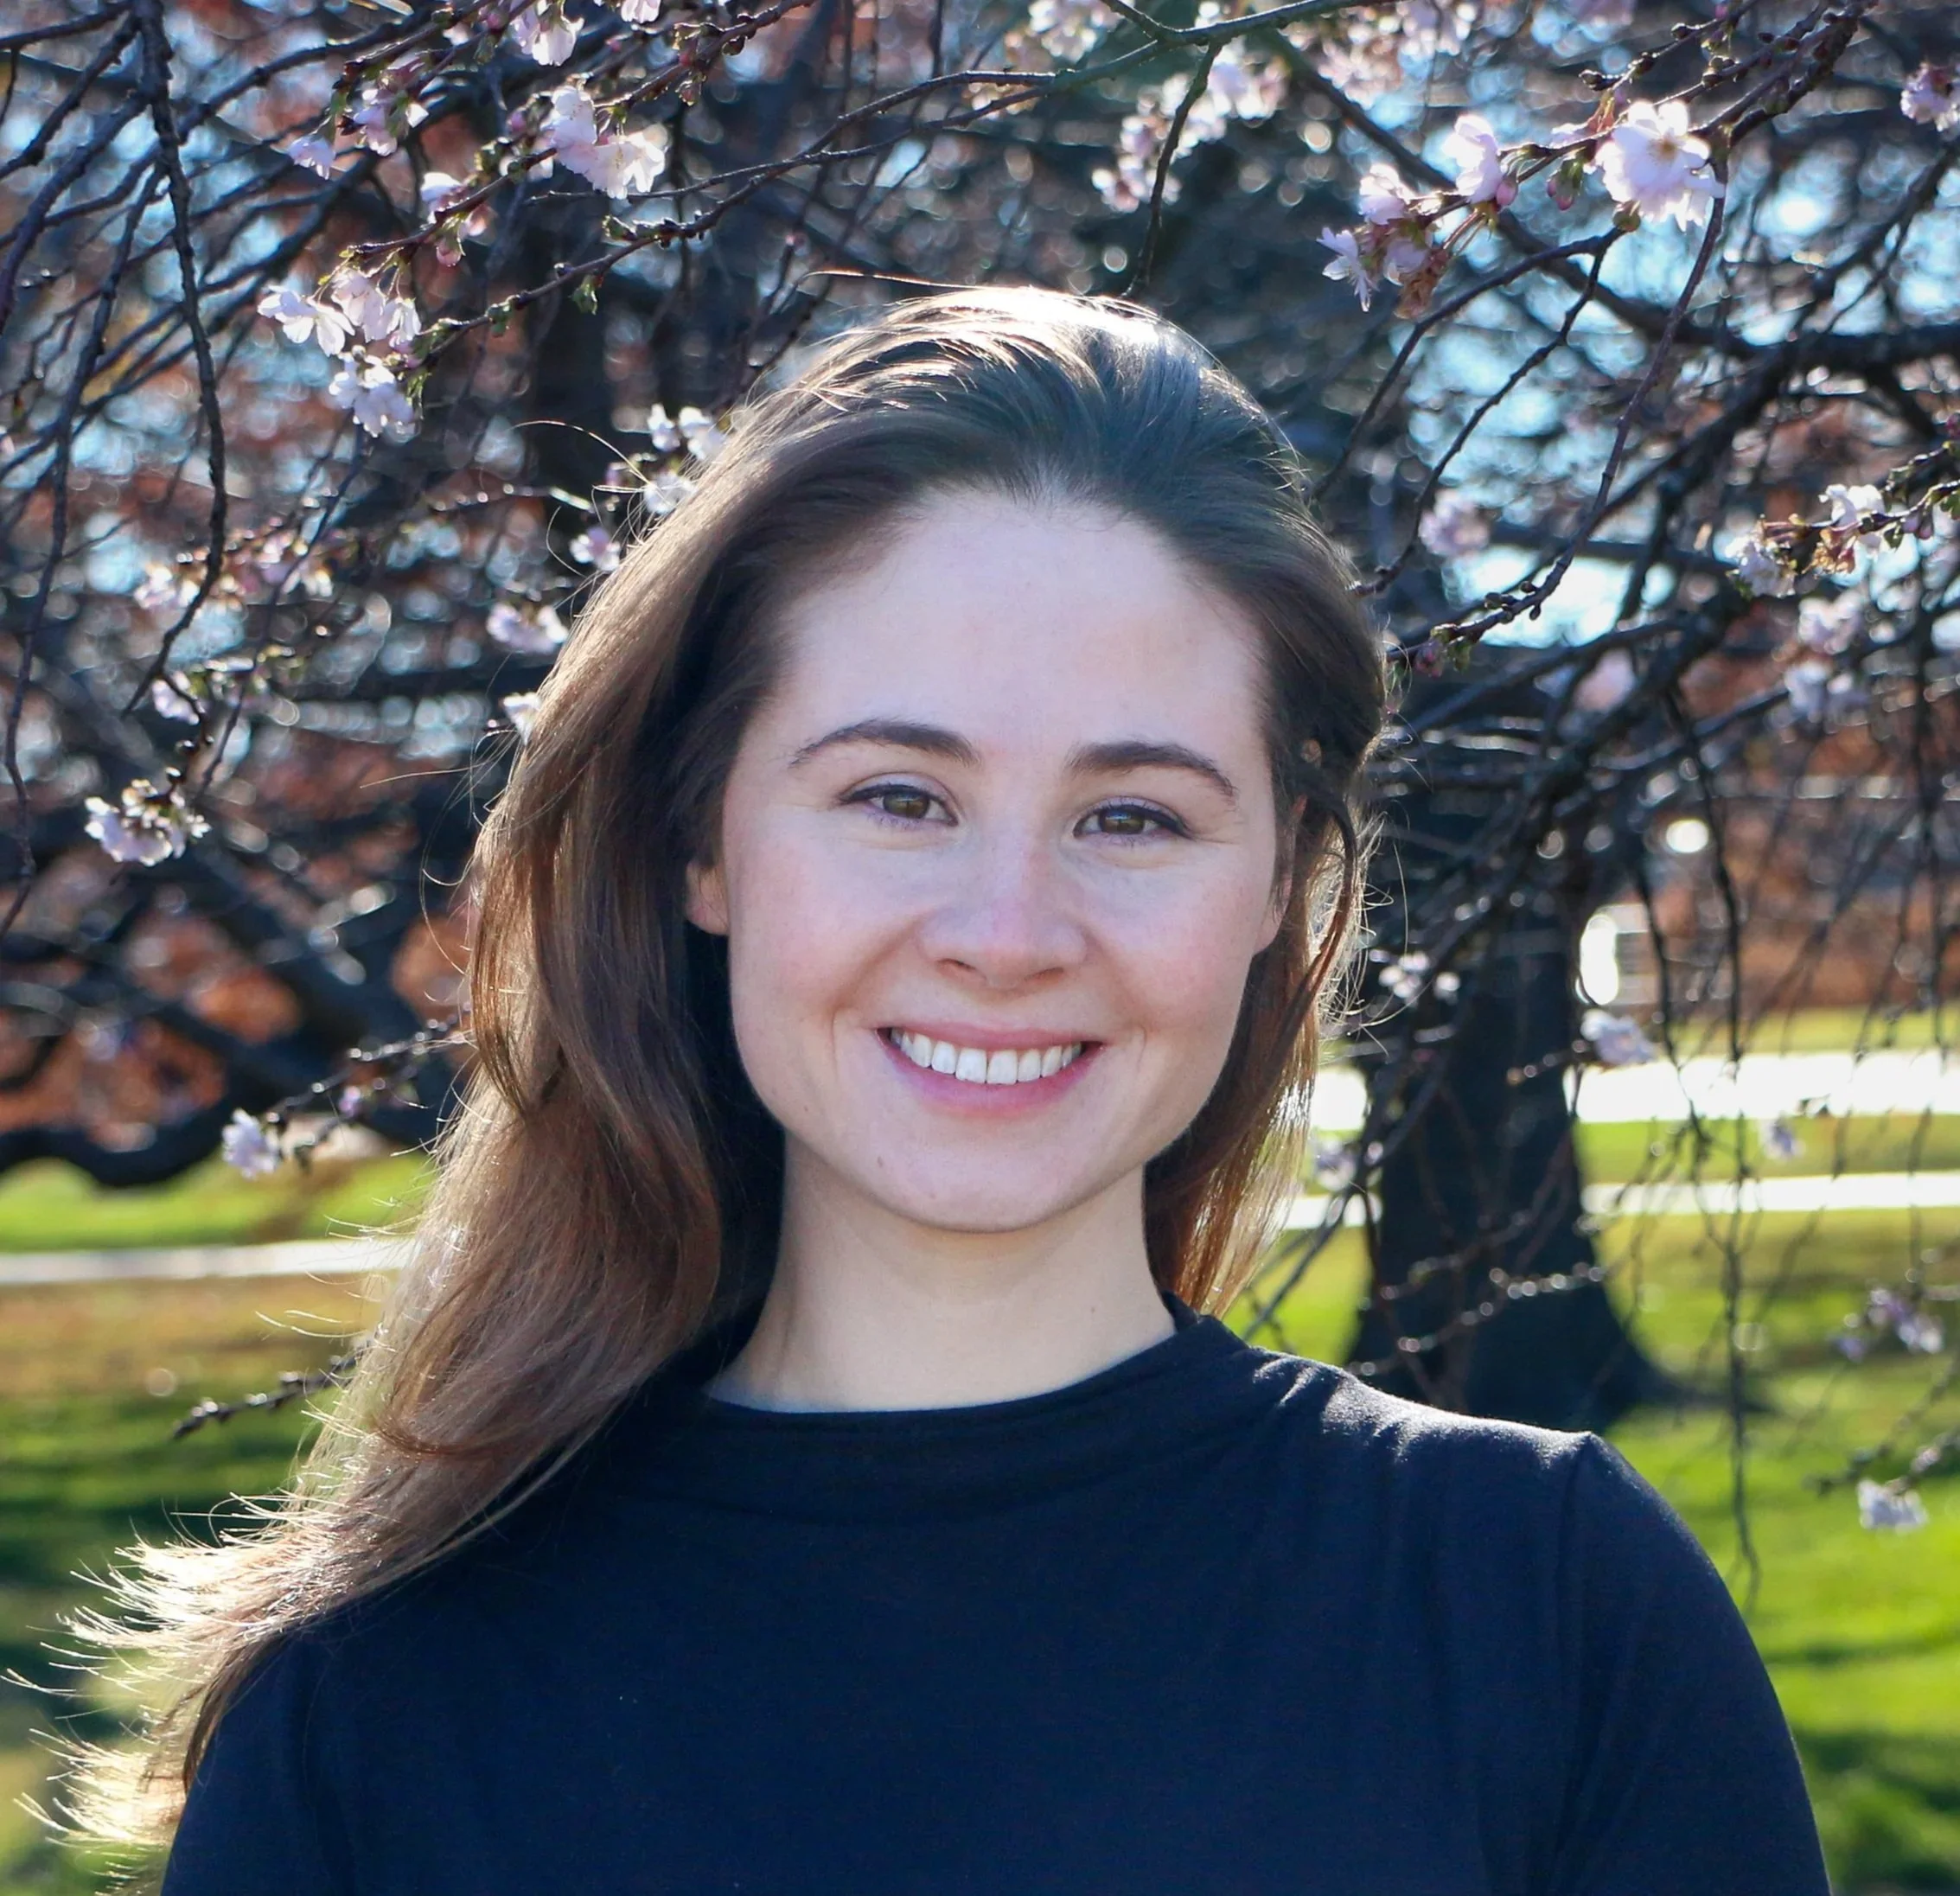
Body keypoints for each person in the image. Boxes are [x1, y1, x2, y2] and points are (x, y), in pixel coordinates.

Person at [75, 288, 1827, 1893]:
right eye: (898, 797)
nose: (1007, 932)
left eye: (1130, 816)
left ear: (1278, 888)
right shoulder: (376, 1705)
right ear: (703, 840)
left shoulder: (1542, 1611)